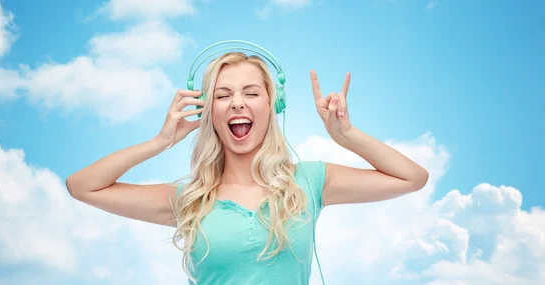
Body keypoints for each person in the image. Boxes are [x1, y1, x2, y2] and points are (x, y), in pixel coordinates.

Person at [65, 52, 429, 285]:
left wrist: (346, 135)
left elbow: (412, 177)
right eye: (223, 95)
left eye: (251, 93)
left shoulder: (311, 181)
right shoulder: (189, 201)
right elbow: (82, 186)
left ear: (273, 104)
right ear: (208, 110)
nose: (237, 103)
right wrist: (160, 142)